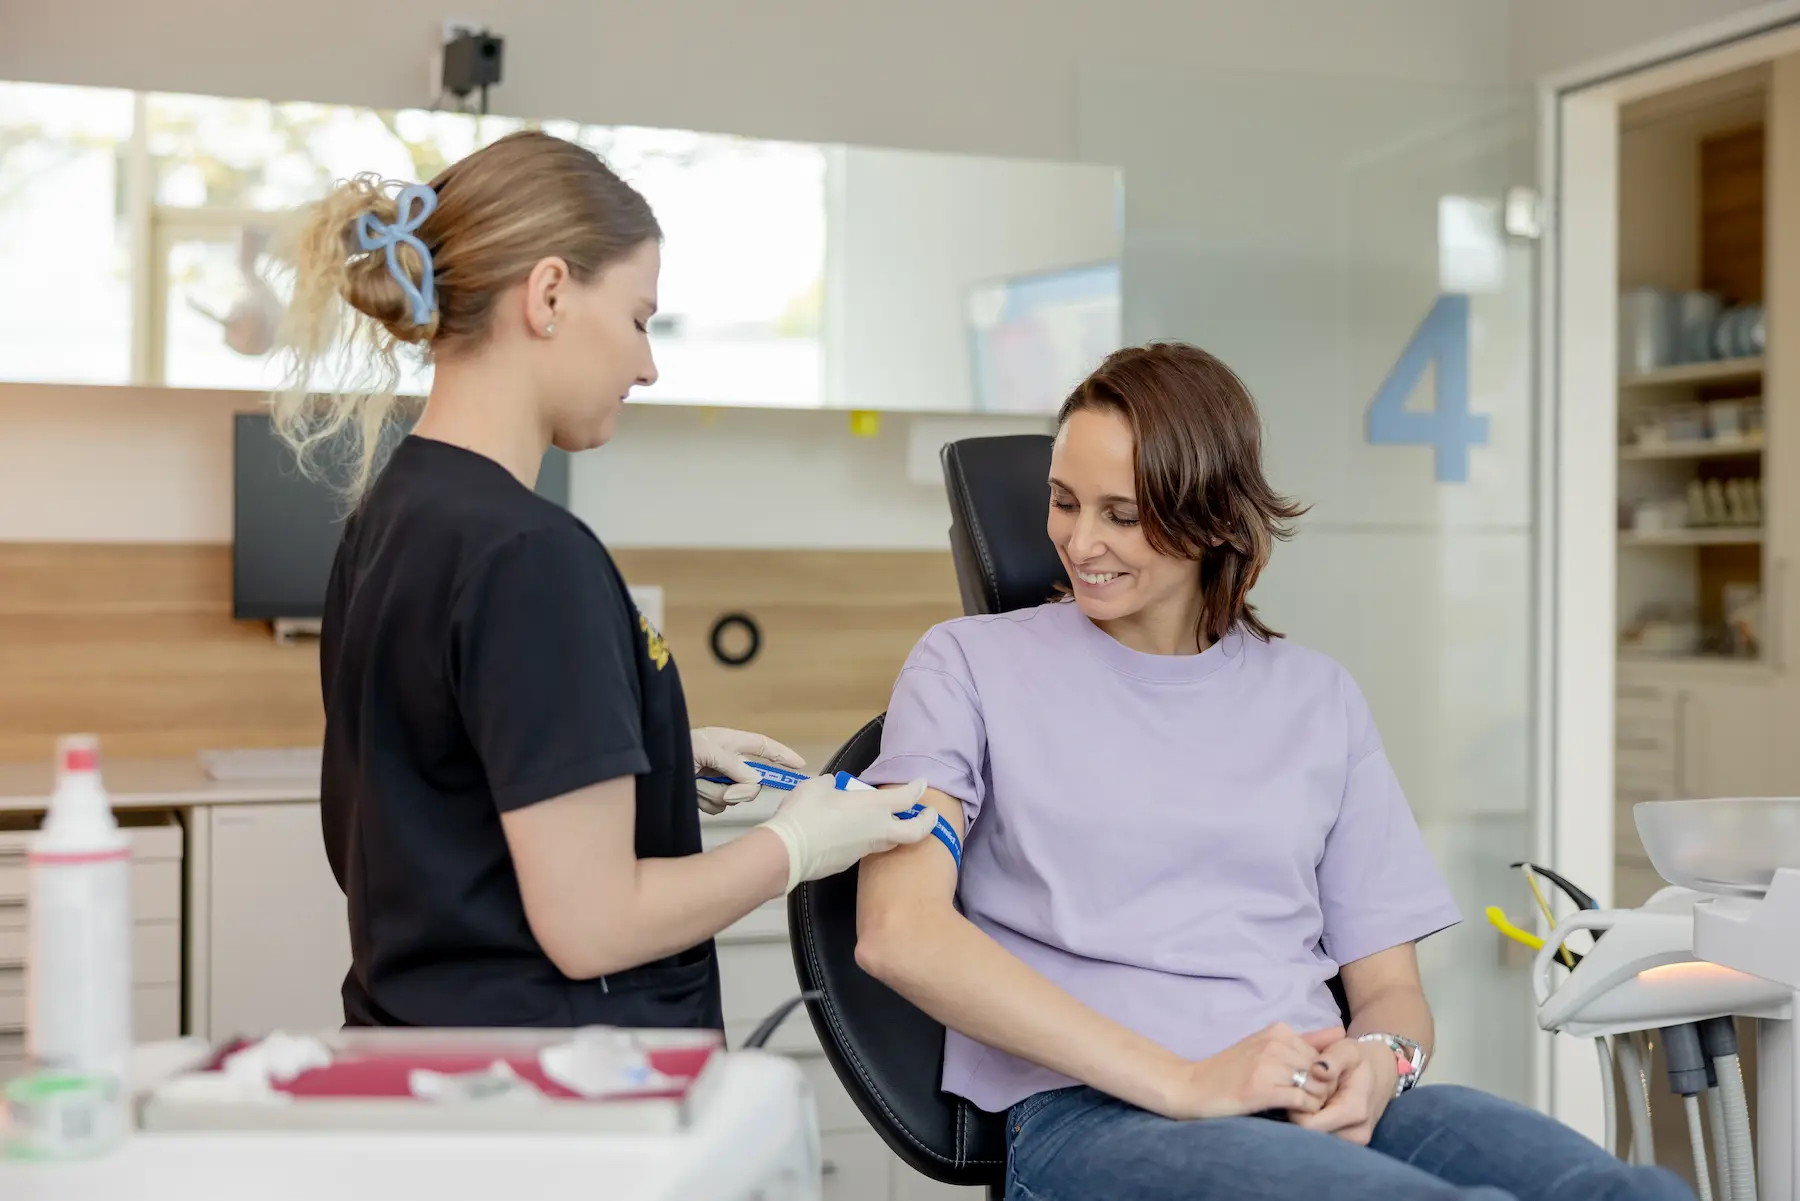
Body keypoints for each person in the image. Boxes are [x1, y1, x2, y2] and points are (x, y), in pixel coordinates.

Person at [852, 343, 1694, 1200]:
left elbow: (1391, 991)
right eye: (1064, 502)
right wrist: (1185, 1082)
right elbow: (899, 932)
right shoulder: (966, 665)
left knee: (1639, 1193)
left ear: (1213, 516)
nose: (1080, 540)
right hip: (1096, 1111)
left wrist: (1379, 1064)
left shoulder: (1316, 697)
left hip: (1310, 1091)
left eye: (1123, 513)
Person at [268, 130, 931, 1030]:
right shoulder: (529, 553)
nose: (647, 365)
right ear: (548, 294)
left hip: (422, 1056)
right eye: (638, 318)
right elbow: (595, 926)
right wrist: (800, 842)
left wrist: (643, 752)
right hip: (554, 1092)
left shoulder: (391, 515)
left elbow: (434, 777)